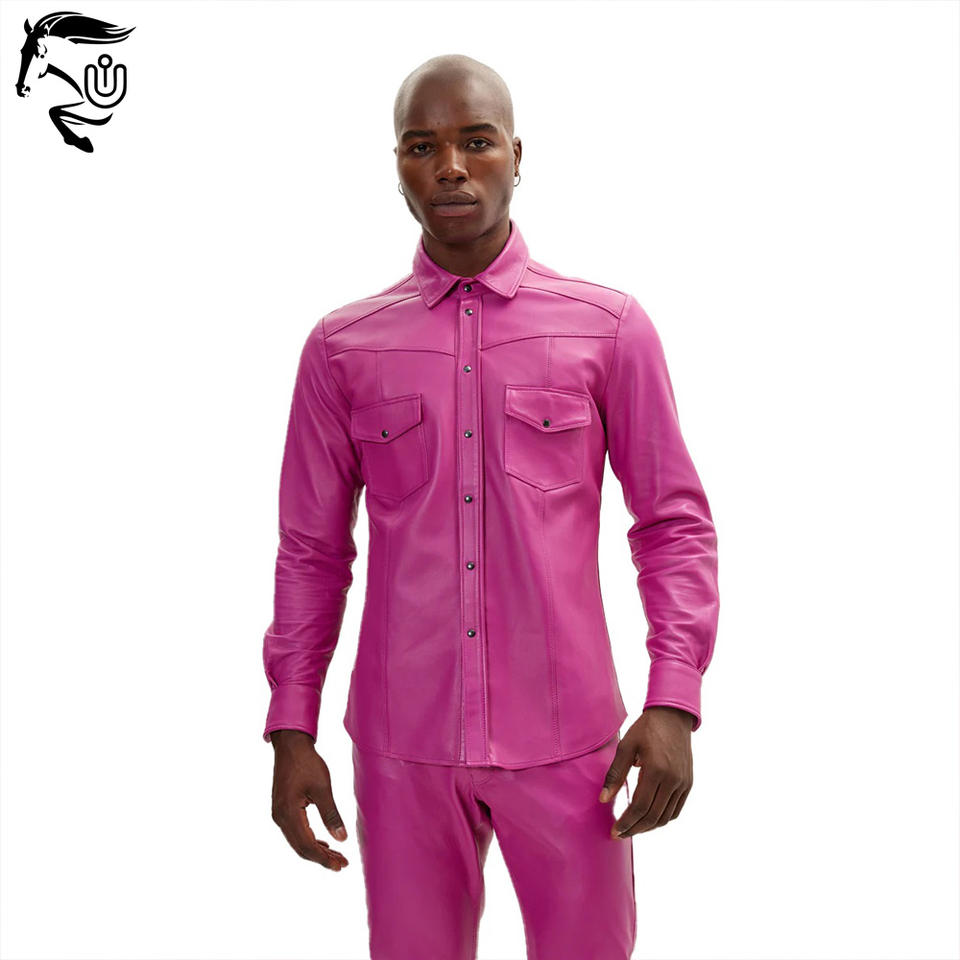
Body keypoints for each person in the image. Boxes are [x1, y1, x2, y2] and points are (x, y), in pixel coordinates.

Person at [262, 53, 720, 960]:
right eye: (421, 146)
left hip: (571, 744)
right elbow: (311, 550)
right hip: (401, 747)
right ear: (397, 165)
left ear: (517, 153)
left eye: (475, 141)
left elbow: (673, 525)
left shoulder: (609, 329)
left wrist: (674, 701)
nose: (450, 167)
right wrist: (291, 725)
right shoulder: (342, 348)